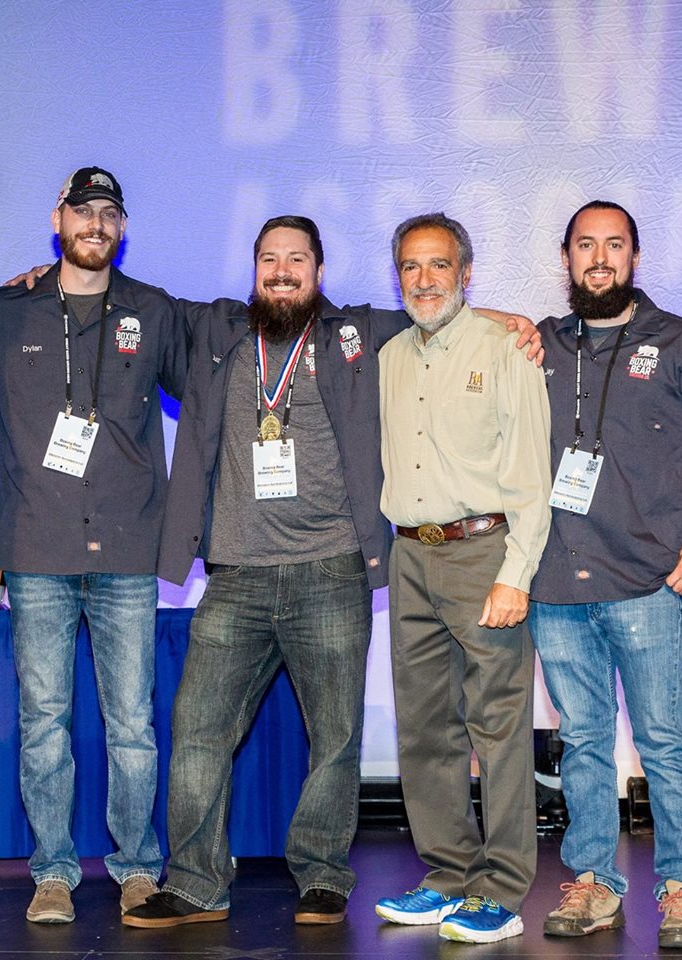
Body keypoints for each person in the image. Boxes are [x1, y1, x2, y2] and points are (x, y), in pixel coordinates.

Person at [121, 216, 542, 929]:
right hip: (236, 577)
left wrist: (510, 318)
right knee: (196, 729)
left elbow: (442, 311)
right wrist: (41, 278)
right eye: (268, 259)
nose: (282, 271)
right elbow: (124, 295)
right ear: (253, 267)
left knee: (338, 738)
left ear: (320, 270)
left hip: (332, 571)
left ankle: (323, 874)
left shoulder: (357, 336)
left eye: (297, 259)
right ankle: (195, 883)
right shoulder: (217, 331)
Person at [528, 200, 682, 950]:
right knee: (584, 742)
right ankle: (593, 883)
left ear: (635, 257)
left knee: (663, 740)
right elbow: (462, 320)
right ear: (565, 259)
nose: (600, 258)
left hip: (651, 583)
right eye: (585, 245)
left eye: (614, 245)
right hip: (555, 584)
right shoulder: (542, 344)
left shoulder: (681, 342)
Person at [0, 167, 185, 922]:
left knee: (132, 723)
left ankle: (137, 867)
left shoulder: (154, 312)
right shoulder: (6, 309)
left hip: (130, 548)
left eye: (109, 213)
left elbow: (224, 372)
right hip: (36, 550)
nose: (95, 224)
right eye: (82, 211)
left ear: (122, 228)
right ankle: (53, 874)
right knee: (45, 722)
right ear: (57, 218)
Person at [373, 213, 552, 944]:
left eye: (438, 265)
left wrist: (518, 572)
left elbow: (533, 472)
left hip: (485, 553)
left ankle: (502, 892)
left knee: (499, 728)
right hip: (409, 557)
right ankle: (447, 876)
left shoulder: (505, 345)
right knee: (424, 730)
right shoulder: (387, 356)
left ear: (466, 272)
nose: (424, 279)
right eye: (411, 266)